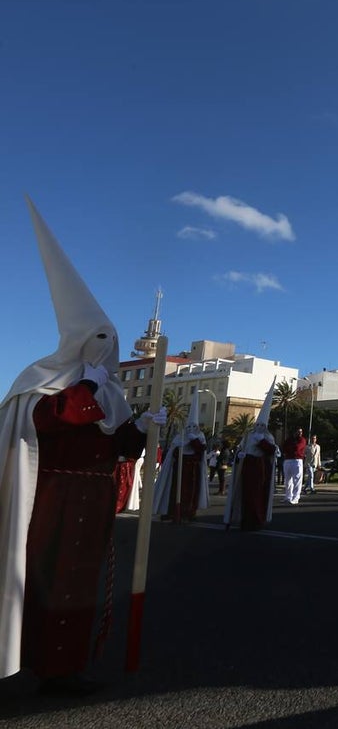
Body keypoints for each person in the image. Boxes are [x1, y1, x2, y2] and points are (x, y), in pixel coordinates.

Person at [0, 199, 167, 692]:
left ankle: (64, 668)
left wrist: (147, 426)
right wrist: (87, 388)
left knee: (78, 585)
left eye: (110, 338)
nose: (108, 347)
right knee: (43, 581)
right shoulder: (43, 382)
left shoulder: (110, 392)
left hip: (92, 503)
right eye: (100, 337)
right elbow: (50, 421)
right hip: (49, 502)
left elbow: (122, 446)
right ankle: (31, 659)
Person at [224, 381, 278, 531]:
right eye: (257, 425)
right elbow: (241, 448)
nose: (259, 428)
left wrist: (262, 443)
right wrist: (240, 454)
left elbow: (272, 451)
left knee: (256, 495)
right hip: (246, 466)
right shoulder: (248, 436)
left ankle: (256, 520)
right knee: (244, 494)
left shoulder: (267, 437)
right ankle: (242, 519)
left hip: (259, 468)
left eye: (262, 426)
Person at [153, 391, 209, 522]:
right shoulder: (180, 437)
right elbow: (173, 451)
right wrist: (182, 446)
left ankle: (188, 512)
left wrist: (194, 441)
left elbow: (201, 451)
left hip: (193, 470)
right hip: (179, 468)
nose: (191, 429)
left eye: (193, 426)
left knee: (190, 492)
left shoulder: (200, 437)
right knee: (174, 491)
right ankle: (171, 511)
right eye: (189, 426)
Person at [282, 427, 306, 504]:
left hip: (297, 460)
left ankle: (296, 497)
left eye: (301, 432)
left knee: (297, 479)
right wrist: (290, 448)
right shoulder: (289, 439)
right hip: (288, 460)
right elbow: (283, 447)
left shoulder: (302, 440)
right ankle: (288, 497)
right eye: (298, 431)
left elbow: (297, 448)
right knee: (288, 480)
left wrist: (290, 448)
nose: (300, 433)